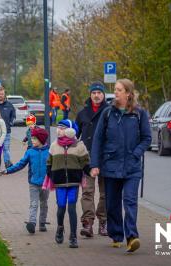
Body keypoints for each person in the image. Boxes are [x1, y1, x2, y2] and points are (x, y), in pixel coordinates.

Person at [90, 79, 151, 253]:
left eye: (119, 90)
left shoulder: (139, 114)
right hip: (111, 165)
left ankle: (132, 236)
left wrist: (136, 154)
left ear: (128, 93)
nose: (115, 92)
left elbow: (147, 138)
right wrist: (95, 164)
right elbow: (98, 140)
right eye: (115, 89)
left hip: (132, 166)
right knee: (112, 203)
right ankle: (116, 234)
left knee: (130, 201)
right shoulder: (108, 113)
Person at [47, 119, 90, 248]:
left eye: (62, 127)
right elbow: (49, 163)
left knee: (71, 209)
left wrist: (91, 171)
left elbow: (85, 162)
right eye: (58, 127)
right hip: (59, 183)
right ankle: (60, 228)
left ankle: (73, 236)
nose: (59, 130)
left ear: (70, 131)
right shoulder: (54, 145)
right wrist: (51, 175)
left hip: (73, 182)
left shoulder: (79, 145)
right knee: (61, 209)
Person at [0, 128, 50, 234]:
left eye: (34, 139)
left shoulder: (50, 152)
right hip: (33, 183)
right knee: (34, 203)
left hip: (46, 183)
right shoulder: (30, 152)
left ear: (41, 140)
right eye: (31, 138)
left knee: (44, 203)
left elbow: (54, 167)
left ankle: (42, 222)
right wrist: (7, 171)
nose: (32, 141)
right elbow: (20, 164)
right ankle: (32, 223)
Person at [76, 81, 109, 238]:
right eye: (94, 93)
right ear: (90, 95)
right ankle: (88, 223)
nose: (96, 95)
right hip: (87, 158)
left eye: (99, 93)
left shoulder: (109, 112)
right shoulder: (82, 113)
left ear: (103, 95)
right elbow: (74, 136)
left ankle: (103, 222)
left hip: (106, 157)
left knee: (106, 193)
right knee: (87, 191)